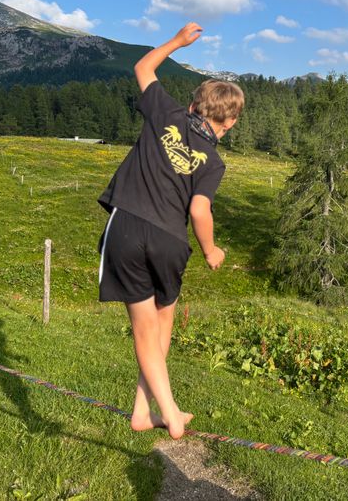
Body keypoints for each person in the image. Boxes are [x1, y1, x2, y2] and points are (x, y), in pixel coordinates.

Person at [97, 22, 244, 439]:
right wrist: (211, 249)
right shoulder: (213, 163)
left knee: (144, 328)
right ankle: (149, 413)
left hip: (127, 225)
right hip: (170, 242)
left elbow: (143, 66)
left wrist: (177, 43)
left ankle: (166, 412)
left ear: (195, 105)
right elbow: (199, 209)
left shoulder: (167, 112)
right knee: (162, 324)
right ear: (230, 122)